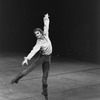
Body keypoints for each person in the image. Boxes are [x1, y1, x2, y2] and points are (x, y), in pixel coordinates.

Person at [11, 13, 52, 97]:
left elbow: (46, 25)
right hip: (42, 58)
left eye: (38, 33)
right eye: (35, 34)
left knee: (45, 77)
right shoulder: (38, 43)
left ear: (41, 33)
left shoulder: (46, 35)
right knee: (29, 69)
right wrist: (27, 58)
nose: (37, 35)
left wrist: (46, 18)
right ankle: (17, 78)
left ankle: (45, 91)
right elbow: (33, 51)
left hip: (48, 59)